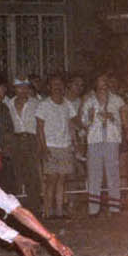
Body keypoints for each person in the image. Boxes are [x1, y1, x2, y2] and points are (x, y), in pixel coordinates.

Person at [80, 70, 127, 215]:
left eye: (106, 81)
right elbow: (83, 123)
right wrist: (90, 118)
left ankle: (114, 207)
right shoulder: (89, 101)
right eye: (101, 81)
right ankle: (94, 209)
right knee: (94, 175)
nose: (104, 84)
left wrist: (112, 118)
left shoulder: (117, 100)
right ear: (96, 84)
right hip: (94, 140)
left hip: (112, 139)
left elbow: (124, 120)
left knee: (113, 174)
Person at [36, 74, 78, 217]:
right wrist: (43, 147)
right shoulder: (44, 105)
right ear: (49, 87)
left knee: (62, 179)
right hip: (50, 146)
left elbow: (71, 124)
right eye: (54, 84)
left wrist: (74, 143)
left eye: (60, 84)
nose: (57, 87)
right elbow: (39, 127)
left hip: (65, 146)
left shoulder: (67, 104)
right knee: (51, 180)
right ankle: (47, 212)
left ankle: (59, 211)